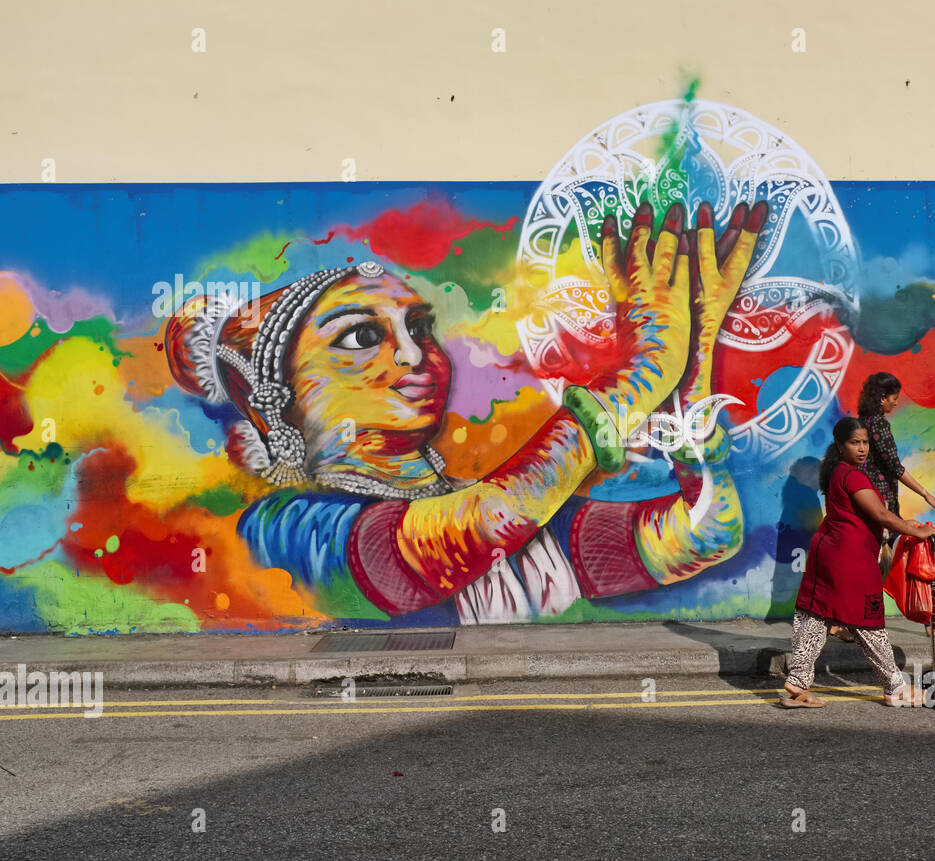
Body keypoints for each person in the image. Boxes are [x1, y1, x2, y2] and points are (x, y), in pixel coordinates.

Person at [163, 199, 767, 623]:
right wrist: (643, 370)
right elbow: (468, 530)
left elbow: (705, 533)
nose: (412, 353)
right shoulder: (285, 528)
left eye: (419, 327)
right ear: (280, 401)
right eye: (358, 337)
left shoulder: (510, 505)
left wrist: (696, 355)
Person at [781, 417, 935, 708]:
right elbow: (879, 514)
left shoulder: (839, 472)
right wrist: (916, 530)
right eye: (855, 443)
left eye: (865, 442)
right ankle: (895, 686)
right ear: (840, 446)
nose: (862, 448)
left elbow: (868, 515)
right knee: (867, 621)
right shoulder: (853, 476)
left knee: (816, 615)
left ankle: (798, 679)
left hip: (830, 553)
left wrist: (904, 524)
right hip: (848, 561)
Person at [857, 371, 935, 575]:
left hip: (866, 497)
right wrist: (926, 495)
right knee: (879, 558)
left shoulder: (863, 422)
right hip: (881, 500)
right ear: (882, 398)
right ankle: (872, 604)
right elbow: (896, 468)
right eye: (894, 398)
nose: (895, 403)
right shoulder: (879, 424)